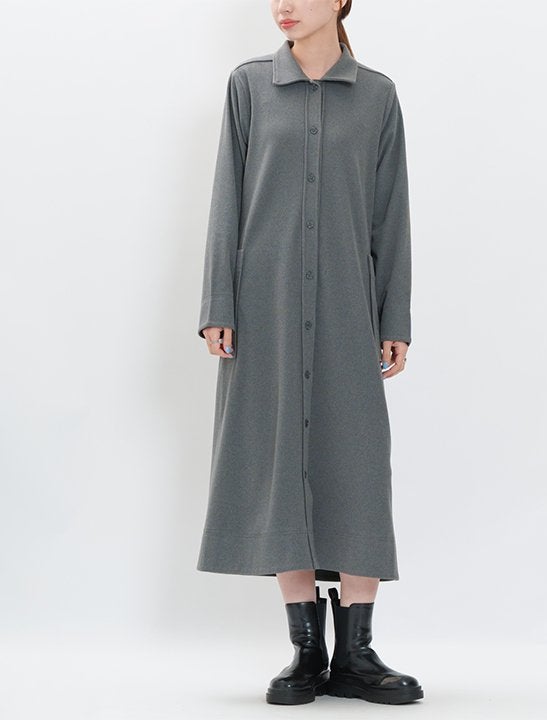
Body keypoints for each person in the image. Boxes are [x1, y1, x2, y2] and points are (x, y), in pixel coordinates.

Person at [195, 0, 424, 706]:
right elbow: (227, 198)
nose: (285, 6)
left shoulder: (377, 96)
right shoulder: (249, 85)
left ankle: (356, 653)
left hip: (350, 307)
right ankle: (305, 652)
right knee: (273, 464)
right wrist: (218, 305)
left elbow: (391, 213)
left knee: (357, 465)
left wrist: (394, 315)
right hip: (262, 308)